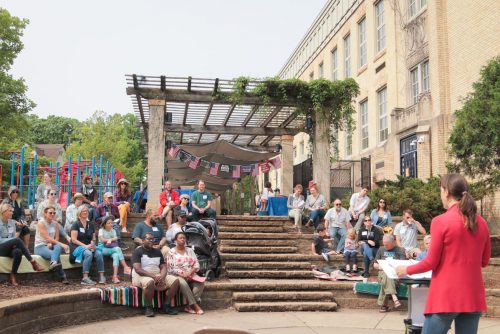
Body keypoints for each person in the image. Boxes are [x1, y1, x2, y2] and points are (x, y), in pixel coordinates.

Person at [396, 174, 491, 334]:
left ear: (446, 192)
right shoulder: (481, 222)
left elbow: (431, 262)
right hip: (472, 295)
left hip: (446, 296)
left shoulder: (440, 221)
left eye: (441, 190)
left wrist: (406, 270)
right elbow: (484, 261)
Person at [131, 233, 180, 317]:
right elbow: (138, 269)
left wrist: (162, 277)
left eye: (152, 239)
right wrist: (154, 277)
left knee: (175, 281)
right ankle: (148, 307)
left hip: (157, 275)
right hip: (140, 276)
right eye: (149, 239)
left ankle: (166, 305)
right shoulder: (137, 251)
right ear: (142, 241)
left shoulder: (157, 251)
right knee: (150, 282)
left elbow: (163, 266)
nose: (151, 241)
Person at [0, 203, 44, 286]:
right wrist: (12, 241)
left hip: (9, 247)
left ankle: (13, 275)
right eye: (10, 211)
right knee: (16, 240)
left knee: (18, 252)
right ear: (3, 212)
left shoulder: (12, 223)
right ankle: (33, 262)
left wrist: (13, 242)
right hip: (0, 248)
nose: (12, 213)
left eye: (12, 211)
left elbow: (13, 236)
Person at [166, 232, 205, 315]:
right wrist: (182, 275)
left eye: (184, 238)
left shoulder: (190, 250)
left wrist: (189, 273)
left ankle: (188, 306)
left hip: (190, 273)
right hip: (177, 275)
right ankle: (195, 305)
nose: (183, 239)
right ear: (176, 240)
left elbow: (196, 264)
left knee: (200, 283)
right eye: (180, 238)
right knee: (183, 283)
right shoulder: (171, 252)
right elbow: (170, 268)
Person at [70, 205, 105, 285]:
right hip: (77, 247)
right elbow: (73, 240)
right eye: (83, 211)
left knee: (99, 253)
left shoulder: (91, 224)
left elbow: (93, 238)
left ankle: (102, 276)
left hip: (88, 246)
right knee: (88, 253)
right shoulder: (75, 224)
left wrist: (92, 244)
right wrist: (85, 246)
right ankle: (85, 278)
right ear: (79, 213)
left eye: (86, 211)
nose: (85, 212)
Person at [35, 205, 69, 284]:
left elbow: (56, 238)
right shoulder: (41, 223)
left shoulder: (56, 224)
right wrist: (62, 244)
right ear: (45, 214)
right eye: (50, 213)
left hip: (52, 245)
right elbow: (46, 238)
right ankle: (63, 276)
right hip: (40, 246)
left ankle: (53, 263)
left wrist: (51, 243)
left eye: (54, 213)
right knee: (56, 253)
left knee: (57, 247)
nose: (53, 214)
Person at [374, 233, 406, 312]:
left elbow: (402, 265)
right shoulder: (381, 249)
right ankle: (394, 297)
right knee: (386, 274)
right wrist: (382, 267)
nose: (385, 246)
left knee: (387, 276)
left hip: (395, 275)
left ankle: (384, 305)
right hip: (382, 273)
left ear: (393, 242)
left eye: (387, 245)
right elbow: (375, 265)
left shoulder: (400, 250)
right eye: (384, 244)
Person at [98, 215, 131, 283]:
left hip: (111, 248)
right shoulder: (101, 230)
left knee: (116, 255)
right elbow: (102, 239)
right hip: (103, 248)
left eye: (111, 223)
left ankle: (115, 276)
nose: (111, 224)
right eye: (108, 223)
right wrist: (109, 240)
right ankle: (125, 266)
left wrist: (110, 240)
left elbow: (116, 238)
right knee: (118, 249)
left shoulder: (113, 230)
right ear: (104, 224)